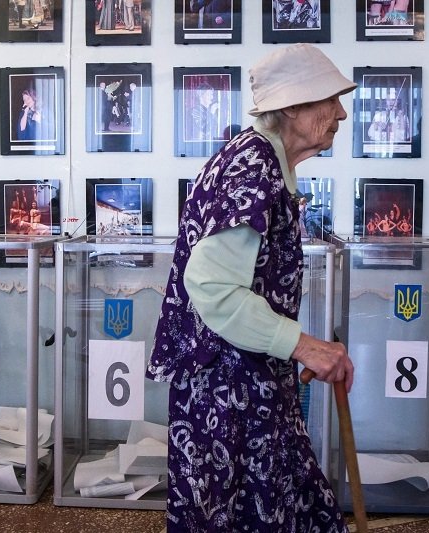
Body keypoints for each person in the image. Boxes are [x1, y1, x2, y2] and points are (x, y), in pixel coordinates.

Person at [146, 43, 356, 532]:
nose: (341, 113)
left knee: (291, 504)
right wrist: (305, 347)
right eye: (329, 100)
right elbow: (212, 285)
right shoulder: (252, 168)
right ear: (291, 106)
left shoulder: (256, 159)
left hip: (246, 383)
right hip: (228, 394)